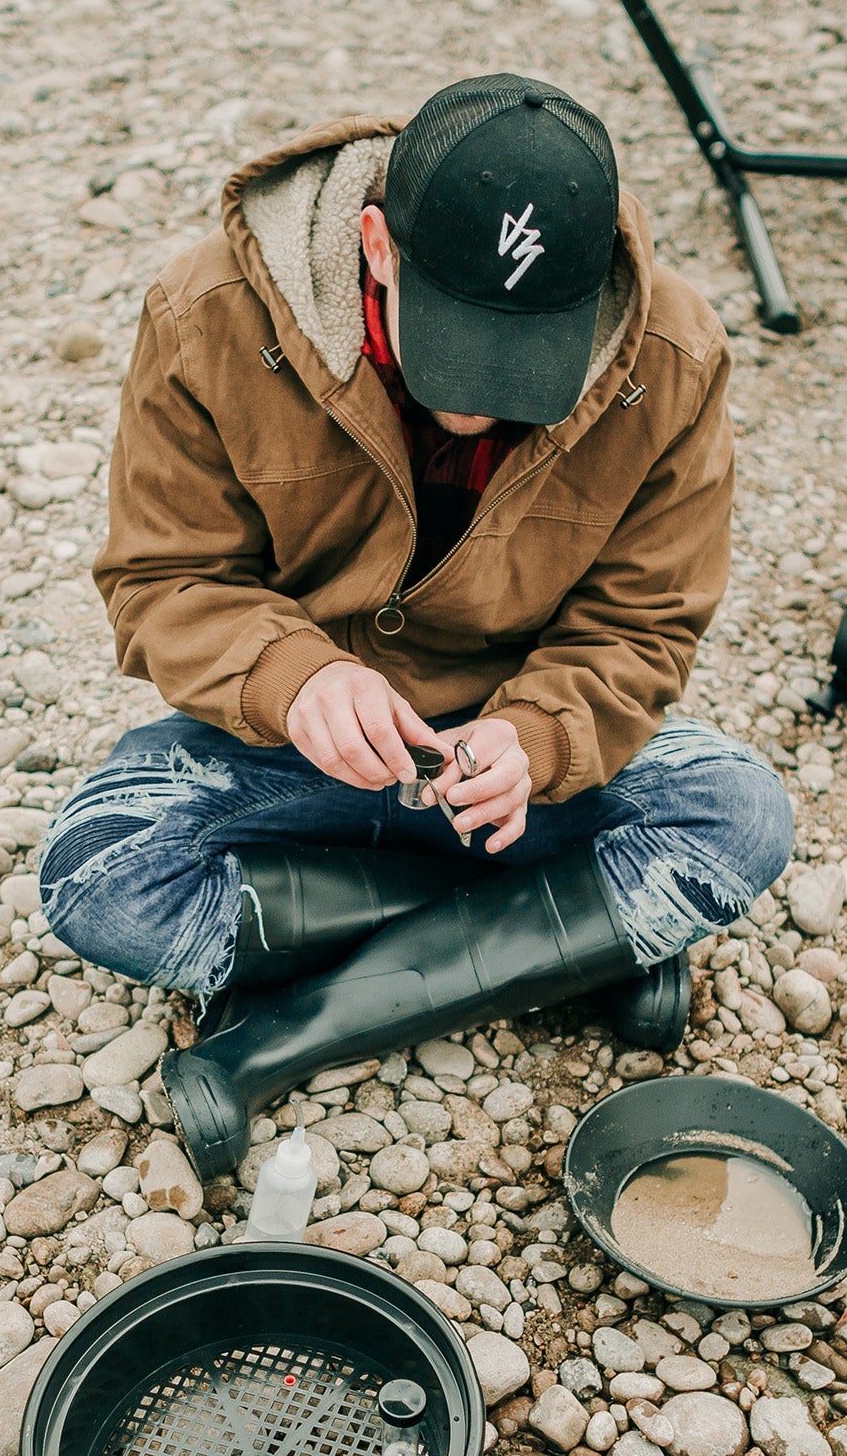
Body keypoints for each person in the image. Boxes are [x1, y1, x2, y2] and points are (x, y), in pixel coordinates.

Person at [39, 73, 793, 1176]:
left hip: (507, 774)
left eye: (523, 360)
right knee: (96, 873)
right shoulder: (210, 313)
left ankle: (274, 1040)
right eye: (455, 348)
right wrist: (295, 676)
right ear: (377, 247)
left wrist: (538, 737)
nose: (477, 403)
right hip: (294, 756)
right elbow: (164, 576)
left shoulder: (671, 355)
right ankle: (565, 940)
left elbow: (643, 625)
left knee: (740, 812)